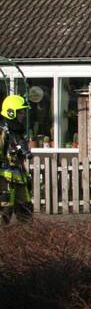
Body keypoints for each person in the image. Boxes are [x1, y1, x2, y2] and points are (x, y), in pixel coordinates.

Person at [0, 95, 32, 223]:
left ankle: (24, 242)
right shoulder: (2, 131)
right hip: (4, 182)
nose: (23, 115)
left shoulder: (17, 131)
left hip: (19, 179)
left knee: (26, 214)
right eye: (20, 111)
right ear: (11, 112)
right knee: (4, 215)